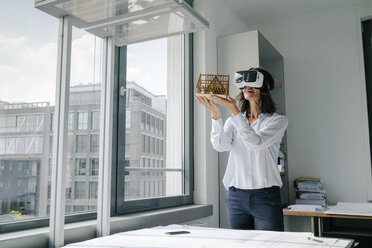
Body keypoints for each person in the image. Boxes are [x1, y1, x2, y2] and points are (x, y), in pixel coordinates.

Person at [196, 67, 288, 231]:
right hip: (236, 197)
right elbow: (220, 145)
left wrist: (234, 110)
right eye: (244, 85)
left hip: (265, 197)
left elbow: (256, 143)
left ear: (264, 87)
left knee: (270, 244)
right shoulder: (233, 121)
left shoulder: (277, 121)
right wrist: (216, 113)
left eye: (252, 84)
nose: (247, 88)